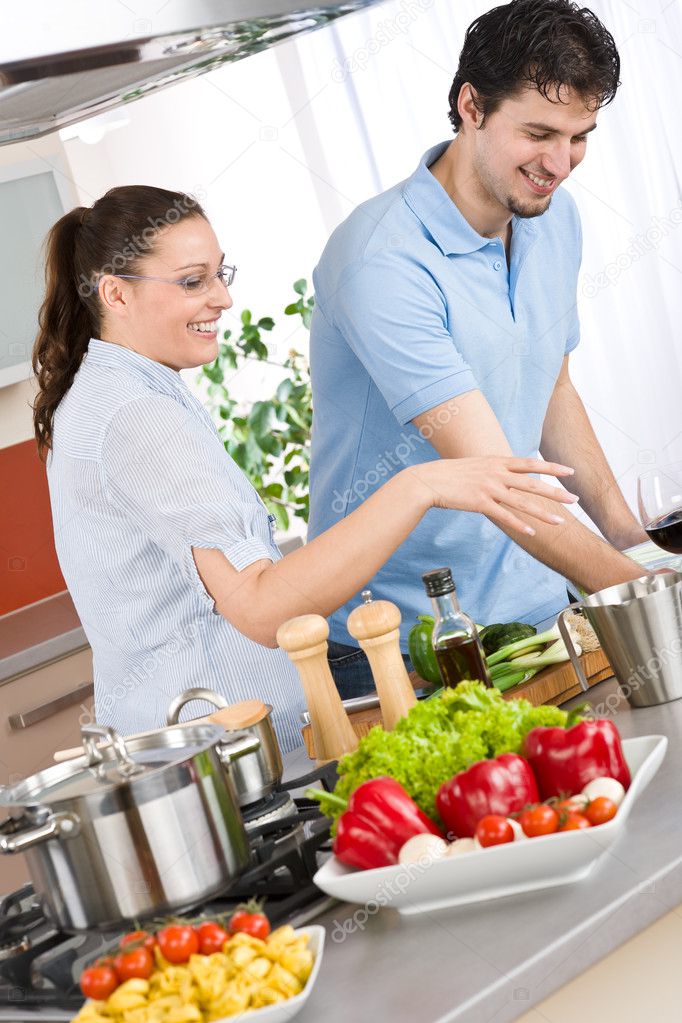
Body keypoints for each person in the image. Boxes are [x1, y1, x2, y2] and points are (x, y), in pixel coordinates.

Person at [33, 186, 575, 751]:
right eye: (194, 281)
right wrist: (423, 484)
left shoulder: (114, 392)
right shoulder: (137, 414)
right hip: (224, 753)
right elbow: (262, 608)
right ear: (116, 295)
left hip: (207, 746)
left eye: (222, 274)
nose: (222, 299)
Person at [307, 0, 648, 693]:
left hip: (539, 607)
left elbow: (550, 387)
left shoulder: (552, 219)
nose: (560, 163)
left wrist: (628, 537)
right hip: (408, 641)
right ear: (471, 105)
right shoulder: (383, 262)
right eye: (540, 132)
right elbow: (500, 484)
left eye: (580, 136)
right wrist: (646, 593)